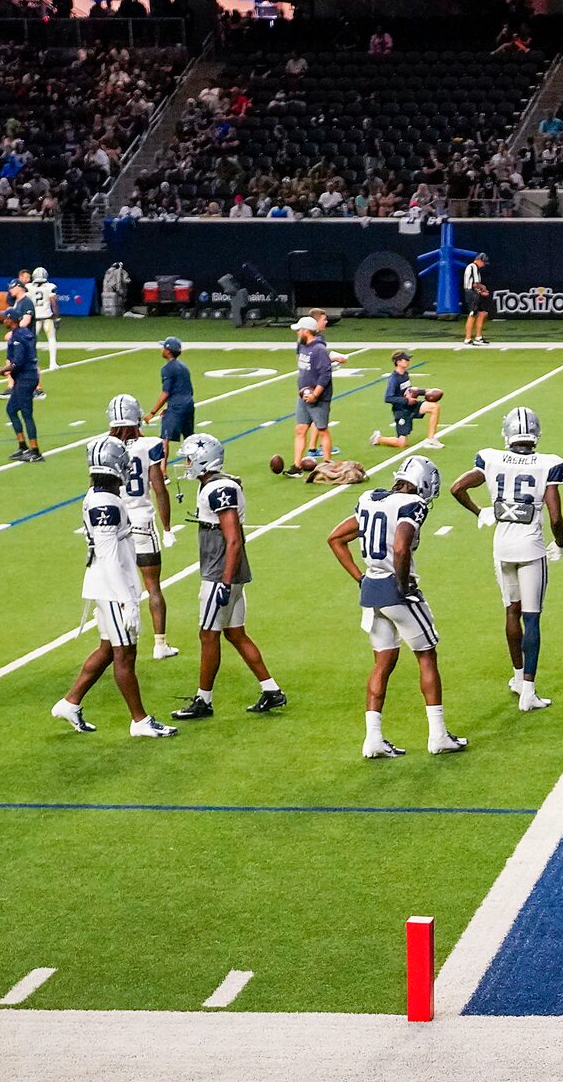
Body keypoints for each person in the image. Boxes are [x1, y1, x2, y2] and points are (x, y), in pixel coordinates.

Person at [328, 452, 465, 758]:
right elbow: (401, 546)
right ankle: (438, 735)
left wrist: (360, 578)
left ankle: (373, 739)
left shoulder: (370, 499)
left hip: (371, 592)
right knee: (427, 655)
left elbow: (336, 538)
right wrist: (403, 586)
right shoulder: (411, 505)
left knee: (382, 662)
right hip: (395, 589)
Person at [52, 437, 178, 739]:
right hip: (111, 588)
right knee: (125, 654)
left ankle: (70, 702)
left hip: (110, 584)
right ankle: (139, 720)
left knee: (109, 649)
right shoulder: (105, 503)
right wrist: (127, 602)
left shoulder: (101, 496)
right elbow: (108, 557)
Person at [449, 406, 563, 714]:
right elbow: (555, 514)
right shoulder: (548, 463)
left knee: (511, 612)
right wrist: (560, 542)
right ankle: (528, 690)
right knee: (532, 617)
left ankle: (517, 678)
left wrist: (481, 512)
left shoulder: (491, 458)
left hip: (501, 546)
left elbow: (457, 487)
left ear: (508, 433)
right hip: (530, 547)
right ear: (536, 434)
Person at [174, 433, 287, 720]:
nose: (186, 464)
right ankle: (271, 690)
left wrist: (224, 580)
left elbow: (233, 538)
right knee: (235, 633)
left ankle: (203, 700)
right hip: (230, 570)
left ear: (203, 460)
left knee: (208, 634)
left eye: (190, 458)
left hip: (220, 572)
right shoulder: (216, 485)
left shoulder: (217, 489)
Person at [101, 393, 179, 660]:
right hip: (142, 522)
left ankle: (123, 639)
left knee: (119, 585)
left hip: (113, 525)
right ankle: (160, 644)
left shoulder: (103, 447)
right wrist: (167, 527)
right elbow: (159, 488)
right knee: (152, 586)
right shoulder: (150, 445)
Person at [0, 297, 43, 463]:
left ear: (11, 320)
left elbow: (18, 362)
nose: (4, 320)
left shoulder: (17, 338)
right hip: (25, 377)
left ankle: (35, 450)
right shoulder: (23, 334)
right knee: (11, 410)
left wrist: (2, 370)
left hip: (25, 378)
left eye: (6, 318)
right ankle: (22, 446)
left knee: (26, 414)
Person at [375, 349, 444, 452]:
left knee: (434, 407)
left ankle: (431, 439)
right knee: (402, 443)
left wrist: (425, 391)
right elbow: (388, 398)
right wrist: (406, 401)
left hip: (412, 405)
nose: (408, 361)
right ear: (398, 362)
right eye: (405, 359)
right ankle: (379, 438)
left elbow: (410, 391)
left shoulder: (405, 374)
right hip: (402, 411)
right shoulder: (393, 379)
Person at [291, 317, 336, 470]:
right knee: (300, 429)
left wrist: (315, 395)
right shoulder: (302, 346)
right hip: (303, 395)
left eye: (299, 330)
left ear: (306, 331)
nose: (297, 332)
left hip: (318, 398)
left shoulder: (319, 350)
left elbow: (325, 375)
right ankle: (296, 465)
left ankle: (327, 462)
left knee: (322, 429)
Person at [150, 336, 196, 448]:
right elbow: (189, 389)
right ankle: (190, 461)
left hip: (177, 406)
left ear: (168, 351)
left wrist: (153, 412)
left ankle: (162, 465)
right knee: (188, 436)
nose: (162, 350)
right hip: (188, 403)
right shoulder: (183, 366)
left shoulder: (167, 368)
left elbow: (166, 392)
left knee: (165, 438)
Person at [27, 266, 60, 370]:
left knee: (31, 340)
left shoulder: (28, 287)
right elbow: (53, 303)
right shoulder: (50, 287)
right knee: (51, 339)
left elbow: (26, 302)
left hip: (35, 317)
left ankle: (30, 362)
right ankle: (53, 363)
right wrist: (57, 317)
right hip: (47, 317)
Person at [462, 253, 492, 346]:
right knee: (473, 314)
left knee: (481, 313)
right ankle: (467, 338)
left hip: (474, 293)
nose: (483, 265)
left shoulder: (472, 267)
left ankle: (478, 337)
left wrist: (481, 291)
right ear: (479, 260)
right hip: (471, 293)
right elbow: (475, 284)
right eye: (483, 263)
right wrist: (483, 288)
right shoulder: (473, 267)